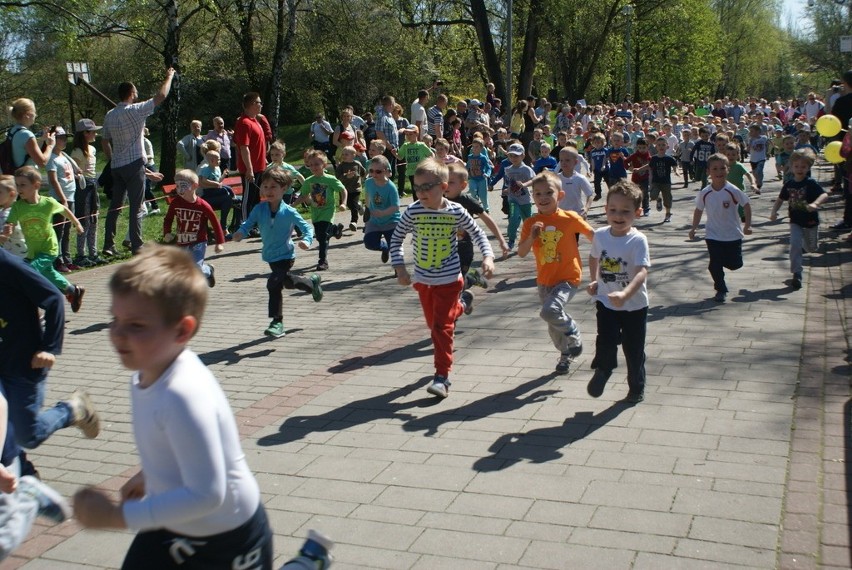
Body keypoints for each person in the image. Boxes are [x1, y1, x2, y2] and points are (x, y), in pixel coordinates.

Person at [72, 246, 275, 569]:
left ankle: (307, 561)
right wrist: (147, 474)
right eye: (115, 319)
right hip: (175, 518)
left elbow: (208, 494)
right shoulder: (146, 370)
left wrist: (116, 516)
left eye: (136, 325)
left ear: (182, 330)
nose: (118, 334)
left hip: (228, 537)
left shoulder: (183, 394)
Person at [390, 157, 495, 399]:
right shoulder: (413, 211)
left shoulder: (455, 211)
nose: (421, 192)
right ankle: (464, 303)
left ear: (444, 187)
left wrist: (488, 257)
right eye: (417, 187)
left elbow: (477, 234)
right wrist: (400, 268)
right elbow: (396, 240)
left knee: (441, 329)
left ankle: (442, 377)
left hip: (449, 280)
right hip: (424, 281)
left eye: (427, 187)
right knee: (434, 325)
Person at [0, 247, 99, 455]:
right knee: (6, 442)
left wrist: (49, 348)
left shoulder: (8, 265)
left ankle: (72, 410)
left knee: (28, 435)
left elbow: (53, 298)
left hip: (24, 363)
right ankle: (22, 474)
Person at [517, 171, 594, 374]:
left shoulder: (570, 218)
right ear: (533, 197)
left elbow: (594, 236)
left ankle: (573, 332)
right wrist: (532, 236)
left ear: (560, 196)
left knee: (549, 311)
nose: (542, 198)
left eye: (548, 193)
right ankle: (565, 354)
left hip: (568, 277)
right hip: (545, 281)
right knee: (552, 322)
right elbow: (522, 253)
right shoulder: (529, 223)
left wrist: (617, 242)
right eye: (538, 194)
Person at [232, 169, 322, 338]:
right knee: (288, 282)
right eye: (265, 186)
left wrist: (306, 241)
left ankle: (277, 322)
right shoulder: (259, 209)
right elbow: (247, 224)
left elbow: (307, 228)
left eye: (273, 187)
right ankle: (311, 283)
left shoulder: (289, 211)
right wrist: (240, 233)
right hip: (270, 256)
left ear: (285, 188)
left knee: (273, 284)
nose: (268, 190)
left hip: (286, 255)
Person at [586, 180, 651, 404]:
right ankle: (603, 370)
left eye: (625, 211)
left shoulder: (638, 240)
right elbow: (594, 257)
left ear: (638, 212)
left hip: (634, 306)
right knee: (605, 339)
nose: (618, 216)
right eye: (613, 210)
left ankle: (636, 387)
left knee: (633, 350)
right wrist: (594, 281)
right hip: (605, 301)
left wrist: (625, 295)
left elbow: (642, 272)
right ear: (605, 210)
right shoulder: (600, 235)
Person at [101, 68, 174, 257]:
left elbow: (104, 141)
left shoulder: (110, 115)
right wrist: (169, 77)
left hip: (117, 166)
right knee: (136, 205)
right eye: (136, 92)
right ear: (132, 94)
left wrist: (111, 159)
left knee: (115, 206)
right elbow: (161, 96)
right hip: (134, 164)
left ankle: (108, 244)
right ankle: (136, 245)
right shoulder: (136, 110)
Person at [1, 167, 86, 312]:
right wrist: (6, 232)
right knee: (49, 274)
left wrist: (76, 223)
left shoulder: (48, 203)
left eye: (23, 184)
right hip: (33, 251)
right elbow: (10, 224)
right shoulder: (18, 207)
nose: (19, 188)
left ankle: (43, 304)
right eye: (17, 184)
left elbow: (64, 210)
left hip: (49, 249)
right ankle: (73, 290)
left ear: (36, 186)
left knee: (29, 272)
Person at [688, 153, 752, 303]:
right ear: (708, 172)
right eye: (715, 169)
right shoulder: (705, 192)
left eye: (722, 168)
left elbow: (747, 205)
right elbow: (698, 210)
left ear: (727, 170)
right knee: (714, 265)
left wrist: (747, 225)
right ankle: (721, 289)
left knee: (735, 264)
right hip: (713, 234)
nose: (719, 172)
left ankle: (723, 261)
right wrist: (694, 228)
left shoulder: (732, 190)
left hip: (733, 234)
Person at [769, 148, 828, 290]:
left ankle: (803, 248)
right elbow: (780, 199)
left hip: (811, 221)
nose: (800, 169)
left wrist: (815, 204)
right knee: (794, 244)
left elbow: (824, 195)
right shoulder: (789, 184)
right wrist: (773, 212)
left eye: (803, 166)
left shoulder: (811, 183)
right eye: (796, 166)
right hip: (795, 220)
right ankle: (797, 273)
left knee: (811, 247)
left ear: (808, 167)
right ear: (791, 166)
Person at [445, 162, 510, 287]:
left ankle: (470, 278)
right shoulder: (439, 200)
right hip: (445, 249)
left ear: (463, 185)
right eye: (444, 181)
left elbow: (487, 219)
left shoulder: (467, 201)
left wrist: (501, 240)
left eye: (451, 182)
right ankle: (468, 279)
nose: (446, 185)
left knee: (459, 283)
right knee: (451, 282)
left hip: (464, 248)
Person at [163, 169, 225, 287]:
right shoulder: (175, 203)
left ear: (195, 186)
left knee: (196, 267)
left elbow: (215, 222)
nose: (179, 189)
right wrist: (167, 232)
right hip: (182, 241)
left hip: (199, 241)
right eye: (177, 185)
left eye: (183, 185)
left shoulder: (202, 205)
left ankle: (207, 270)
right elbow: (168, 219)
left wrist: (219, 242)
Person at [296, 150, 347, 271]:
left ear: (324, 165)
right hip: (316, 213)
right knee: (320, 237)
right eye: (311, 164)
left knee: (322, 236)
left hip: (328, 211)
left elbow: (343, 190)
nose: (314, 167)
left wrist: (343, 203)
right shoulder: (309, 181)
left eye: (317, 164)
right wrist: (292, 206)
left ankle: (323, 261)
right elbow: (303, 196)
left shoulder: (330, 179)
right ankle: (335, 230)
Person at [45, 126, 79, 272]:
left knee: (67, 230)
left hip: (70, 196)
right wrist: (62, 199)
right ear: (53, 139)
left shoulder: (63, 155)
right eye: (61, 138)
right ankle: (57, 261)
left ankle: (67, 258)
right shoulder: (51, 158)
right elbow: (54, 181)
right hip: (60, 199)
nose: (65, 141)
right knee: (59, 230)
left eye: (66, 138)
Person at [70, 119, 103, 267]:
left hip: (93, 185)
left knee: (94, 219)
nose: (95, 133)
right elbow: (73, 171)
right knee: (84, 220)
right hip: (83, 188)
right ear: (85, 133)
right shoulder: (77, 151)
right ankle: (81, 254)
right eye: (93, 131)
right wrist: (77, 175)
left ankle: (93, 253)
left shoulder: (93, 149)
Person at [235, 92, 268, 225]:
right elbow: (244, 147)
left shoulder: (255, 121)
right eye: (259, 102)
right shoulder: (244, 123)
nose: (261, 105)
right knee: (248, 198)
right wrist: (249, 169)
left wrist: (264, 158)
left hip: (260, 167)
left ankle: (254, 224)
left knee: (256, 198)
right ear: (252, 104)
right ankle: (245, 224)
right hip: (251, 169)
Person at [362, 155, 400, 264]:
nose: (374, 174)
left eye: (378, 172)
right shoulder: (368, 182)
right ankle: (384, 248)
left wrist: (383, 213)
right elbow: (368, 196)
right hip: (374, 221)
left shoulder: (391, 187)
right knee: (369, 243)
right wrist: (367, 210)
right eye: (371, 171)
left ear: (386, 171)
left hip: (391, 221)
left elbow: (396, 207)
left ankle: (397, 267)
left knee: (395, 246)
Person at [6, 98, 56, 171]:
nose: (36, 115)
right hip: (26, 179)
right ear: (27, 115)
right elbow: (42, 162)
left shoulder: (13, 131)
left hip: (16, 177)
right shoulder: (26, 134)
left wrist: (42, 139)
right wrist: (50, 146)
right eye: (34, 112)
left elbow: (26, 153)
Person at [502, 143, 536, 250]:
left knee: (528, 221)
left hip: (525, 200)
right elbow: (509, 184)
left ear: (523, 156)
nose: (513, 158)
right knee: (513, 218)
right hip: (513, 199)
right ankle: (511, 240)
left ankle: (530, 240)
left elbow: (534, 179)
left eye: (516, 156)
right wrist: (506, 190)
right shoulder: (508, 169)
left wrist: (525, 184)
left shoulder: (526, 169)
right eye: (511, 155)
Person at [197, 149, 236, 233]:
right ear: (211, 160)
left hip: (216, 189)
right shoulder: (206, 169)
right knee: (226, 191)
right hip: (209, 192)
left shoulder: (217, 168)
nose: (220, 161)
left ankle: (234, 198)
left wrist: (224, 175)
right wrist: (214, 183)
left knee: (228, 189)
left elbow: (219, 181)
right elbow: (203, 181)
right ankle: (223, 227)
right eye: (218, 159)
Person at [556, 147, 594, 221]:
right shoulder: (556, 178)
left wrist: (586, 208)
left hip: (577, 214)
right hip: (561, 214)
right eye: (561, 160)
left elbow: (590, 195)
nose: (563, 163)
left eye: (567, 160)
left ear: (575, 162)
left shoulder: (580, 178)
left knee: (574, 233)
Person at [335, 145, 367, 231]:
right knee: (344, 204)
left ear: (354, 155)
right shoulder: (341, 166)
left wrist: (363, 178)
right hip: (344, 190)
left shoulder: (357, 164)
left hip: (355, 189)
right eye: (343, 154)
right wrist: (346, 176)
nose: (344, 156)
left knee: (353, 206)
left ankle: (354, 222)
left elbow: (363, 172)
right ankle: (359, 206)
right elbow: (337, 178)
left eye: (346, 154)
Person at [397, 125, 433, 197]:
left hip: (421, 171)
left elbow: (431, 155)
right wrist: (394, 153)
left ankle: (425, 202)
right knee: (415, 190)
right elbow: (400, 157)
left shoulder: (421, 145)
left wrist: (428, 164)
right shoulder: (405, 145)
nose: (408, 136)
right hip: (411, 171)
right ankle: (416, 205)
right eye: (407, 134)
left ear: (416, 134)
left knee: (422, 188)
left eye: (410, 134)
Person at [648, 137, 679, 222]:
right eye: (659, 145)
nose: (661, 147)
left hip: (666, 182)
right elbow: (650, 168)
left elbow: (674, 165)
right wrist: (650, 181)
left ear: (667, 147)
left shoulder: (669, 158)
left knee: (667, 199)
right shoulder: (653, 158)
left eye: (663, 145)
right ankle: (658, 199)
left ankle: (668, 214)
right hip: (656, 182)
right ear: (656, 147)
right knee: (653, 195)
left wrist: (676, 171)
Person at [0, 177, 26, 258]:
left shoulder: (10, 214)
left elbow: (3, 237)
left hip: (17, 256)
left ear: (11, 194)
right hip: (9, 255)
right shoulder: (3, 211)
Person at [625, 138, 652, 216]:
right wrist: (630, 168)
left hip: (645, 178)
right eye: (639, 148)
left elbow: (652, 165)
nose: (641, 150)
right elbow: (625, 162)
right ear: (637, 147)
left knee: (645, 194)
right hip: (635, 178)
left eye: (644, 147)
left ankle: (646, 208)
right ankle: (636, 208)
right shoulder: (634, 155)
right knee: (635, 194)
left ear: (647, 147)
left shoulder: (649, 157)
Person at [466, 137, 493, 211]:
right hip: (472, 178)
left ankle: (485, 207)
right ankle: (476, 201)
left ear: (481, 148)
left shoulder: (483, 158)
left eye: (476, 147)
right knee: (472, 190)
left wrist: (487, 174)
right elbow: (468, 166)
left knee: (483, 195)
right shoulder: (470, 157)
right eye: (473, 146)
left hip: (482, 179)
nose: (474, 148)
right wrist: (464, 173)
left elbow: (488, 167)